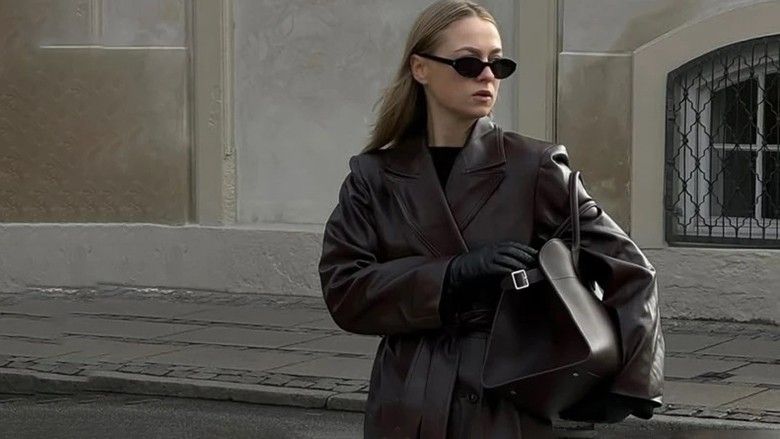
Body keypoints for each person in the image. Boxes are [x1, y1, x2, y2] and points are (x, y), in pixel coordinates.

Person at [318, 1, 664, 437]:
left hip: (503, 398)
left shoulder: (534, 167)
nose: (487, 76)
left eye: (497, 64)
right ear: (420, 68)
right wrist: (452, 274)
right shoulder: (374, 176)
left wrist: (630, 383)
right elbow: (344, 289)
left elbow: (630, 269)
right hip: (405, 398)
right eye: (468, 63)